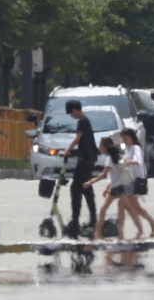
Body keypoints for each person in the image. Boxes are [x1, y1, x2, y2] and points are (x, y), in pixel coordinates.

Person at [83, 137, 144, 240]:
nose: (99, 147)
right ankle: (98, 233)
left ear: (105, 147)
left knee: (121, 209)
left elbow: (104, 175)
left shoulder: (109, 159)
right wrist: (108, 187)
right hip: (116, 187)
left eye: (100, 144)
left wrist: (90, 182)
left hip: (117, 187)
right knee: (109, 209)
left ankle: (139, 230)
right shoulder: (115, 156)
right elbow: (115, 174)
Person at [58, 100, 98, 239]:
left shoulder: (82, 120)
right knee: (86, 188)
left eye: (70, 112)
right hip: (89, 159)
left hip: (85, 160)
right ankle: (93, 219)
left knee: (75, 188)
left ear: (74, 109)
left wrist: (66, 151)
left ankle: (75, 221)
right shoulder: (86, 120)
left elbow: (78, 138)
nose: (70, 115)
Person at [118, 128, 154, 238]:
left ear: (132, 138)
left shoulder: (135, 148)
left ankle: (153, 225)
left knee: (132, 206)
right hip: (128, 181)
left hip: (133, 182)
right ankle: (122, 232)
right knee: (123, 205)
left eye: (127, 137)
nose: (125, 140)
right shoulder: (129, 149)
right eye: (123, 138)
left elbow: (137, 160)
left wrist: (128, 162)